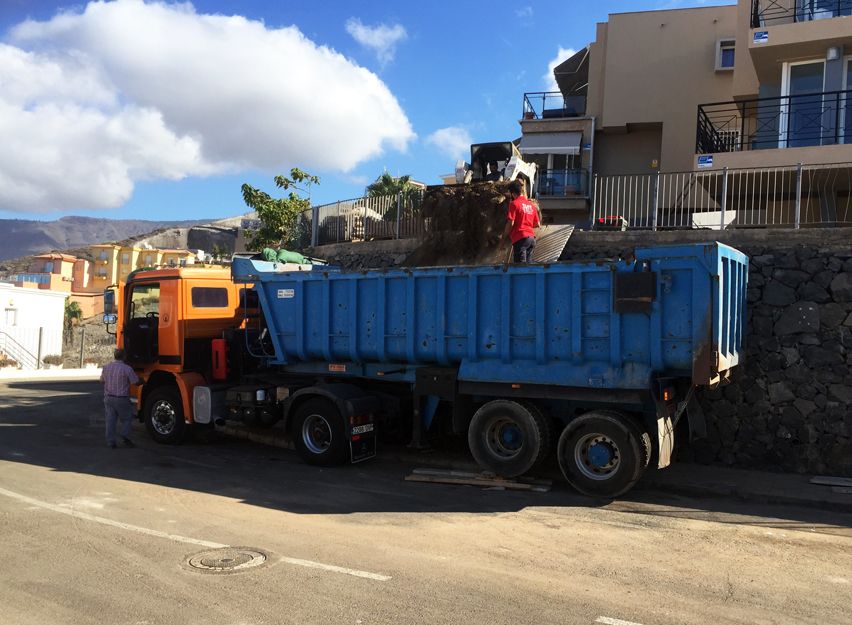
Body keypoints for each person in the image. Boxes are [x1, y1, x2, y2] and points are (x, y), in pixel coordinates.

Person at [100, 348, 139, 448]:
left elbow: (101, 380)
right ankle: (125, 436)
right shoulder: (127, 369)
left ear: (114, 356)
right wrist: (144, 381)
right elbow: (135, 382)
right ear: (124, 356)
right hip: (122, 398)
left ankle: (111, 442)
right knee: (127, 418)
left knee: (110, 420)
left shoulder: (106, 367)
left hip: (108, 398)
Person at [502, 179, 540, 263]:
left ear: (512, 193)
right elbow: (537, 224)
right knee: (528, 268)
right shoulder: (531, 205)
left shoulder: (514, 204)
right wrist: (526, 223)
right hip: (531, 239)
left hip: (521, 239)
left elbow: (510, 223)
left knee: (520, 268)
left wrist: (503, 239)